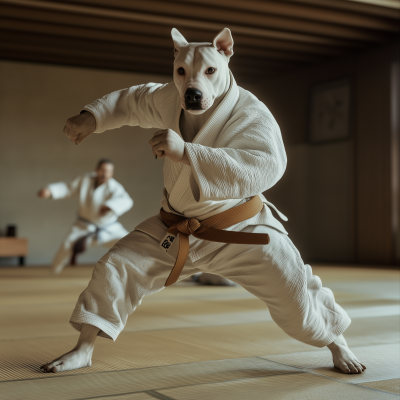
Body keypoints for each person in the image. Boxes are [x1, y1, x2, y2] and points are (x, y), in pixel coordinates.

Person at [40, 28, 366, 375]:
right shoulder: (170, 98)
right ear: (176, 68)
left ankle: (336, 342)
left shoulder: (250, 111)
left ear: (226, 55)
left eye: (209, 71)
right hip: (176, 226)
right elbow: (131, 102)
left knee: (295, 291)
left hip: (240, 229)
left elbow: (267, 164)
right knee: (116, 267)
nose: (193, 83)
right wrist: (92, 118)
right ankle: (84, 348)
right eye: (183, 72)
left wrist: (187, 154)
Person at [38, 159, 133, 274]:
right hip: (83, 226)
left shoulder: (115, 187)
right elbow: (68, 187)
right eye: (102, 170)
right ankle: (53, 272)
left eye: (108, 171)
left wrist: (110, 206)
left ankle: (134, 272)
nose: (104, 174)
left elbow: (127, 201)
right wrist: (51, 191)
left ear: (112, 173)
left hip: (109, 228)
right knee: (67, 244)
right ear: (97, 170)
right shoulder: (85, 180)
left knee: (129, 243)